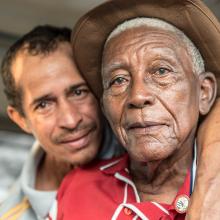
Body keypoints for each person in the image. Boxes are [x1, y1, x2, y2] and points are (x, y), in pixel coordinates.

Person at [57, 0, 220, 219]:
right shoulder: (80, 187)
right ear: (104, 105)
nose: (137, 96)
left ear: (204, 93)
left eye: (161, 71)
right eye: (118, 80)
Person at [0, 25, 123, 219]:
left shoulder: (146, 148)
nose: (71, 120)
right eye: (44, 105)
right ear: (21, 119)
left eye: (78, 92)